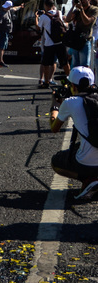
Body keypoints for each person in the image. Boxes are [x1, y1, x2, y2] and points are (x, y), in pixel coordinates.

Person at [50, 66, 98, 199]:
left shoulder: (70, 103)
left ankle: (89, 179)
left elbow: (54, 128)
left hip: (87, 163)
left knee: (56, 161)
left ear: (73, 86)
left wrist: (55, 105)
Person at [38, 0, 69, 89]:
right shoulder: (59, 13)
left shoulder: (43, 17)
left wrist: (37, 17)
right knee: (64, 62)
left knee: (46, 63)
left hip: (49, 43)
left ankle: (46, 82)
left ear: (46, 5)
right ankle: (70, 81)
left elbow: (39, 27)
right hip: (60, 42)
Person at [64, 0, 98, 68]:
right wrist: (73, 6)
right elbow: (68, 19)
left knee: (84, 66)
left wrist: (82, 10)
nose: (82, 1)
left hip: (85, 40)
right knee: (75, 66)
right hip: (76, 40)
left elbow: (87, 22)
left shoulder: (94, 9)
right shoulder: (77, 10)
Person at [0, 0, 23, 67]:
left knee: (3, 47)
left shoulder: (8, 11)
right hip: (2, 32)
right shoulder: (2, 14)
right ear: (8, 6)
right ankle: (0, 61)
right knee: (1, 47)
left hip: (6, 32)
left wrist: (20, 6)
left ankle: (1, 61)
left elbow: (15, 8)